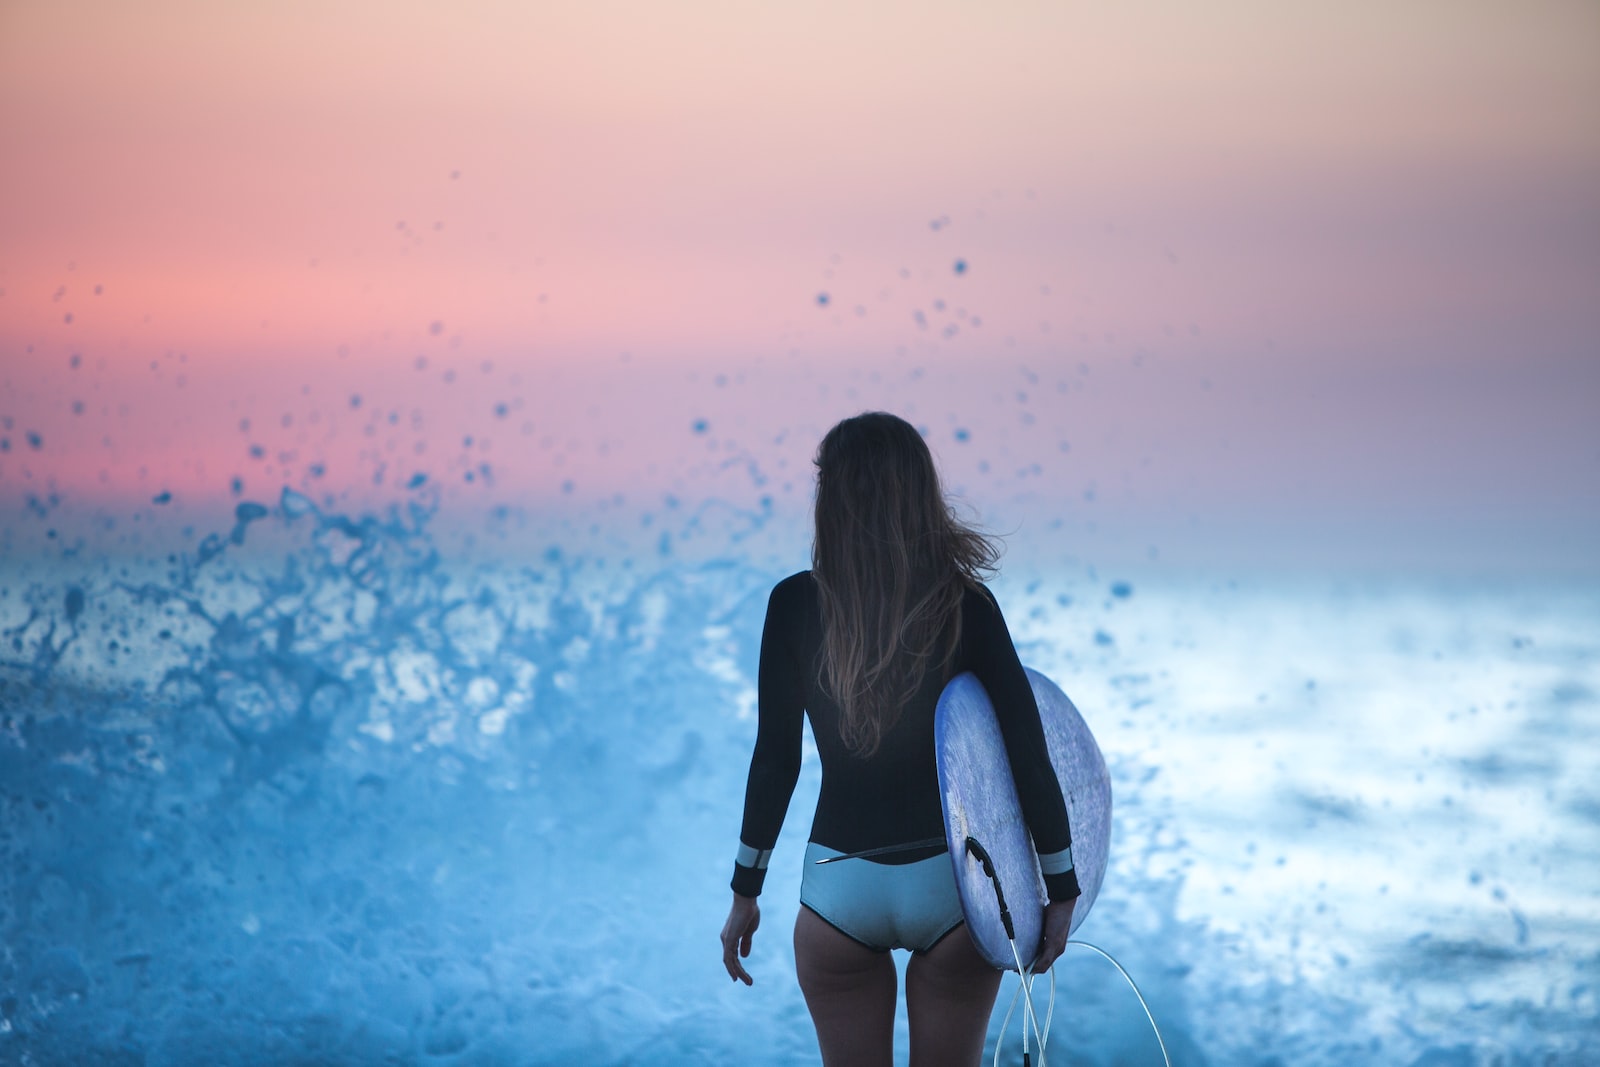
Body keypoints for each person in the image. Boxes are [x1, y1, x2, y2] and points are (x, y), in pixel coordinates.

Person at [719, 412, 1080, 1067]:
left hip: (836, 888)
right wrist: (1061, 887)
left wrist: (746, 891)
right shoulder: (965, 606)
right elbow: (1028, 751)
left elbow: (776, 759)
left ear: (831, 499)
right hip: (955, 890)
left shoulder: (793, 605)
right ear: (918, 495)